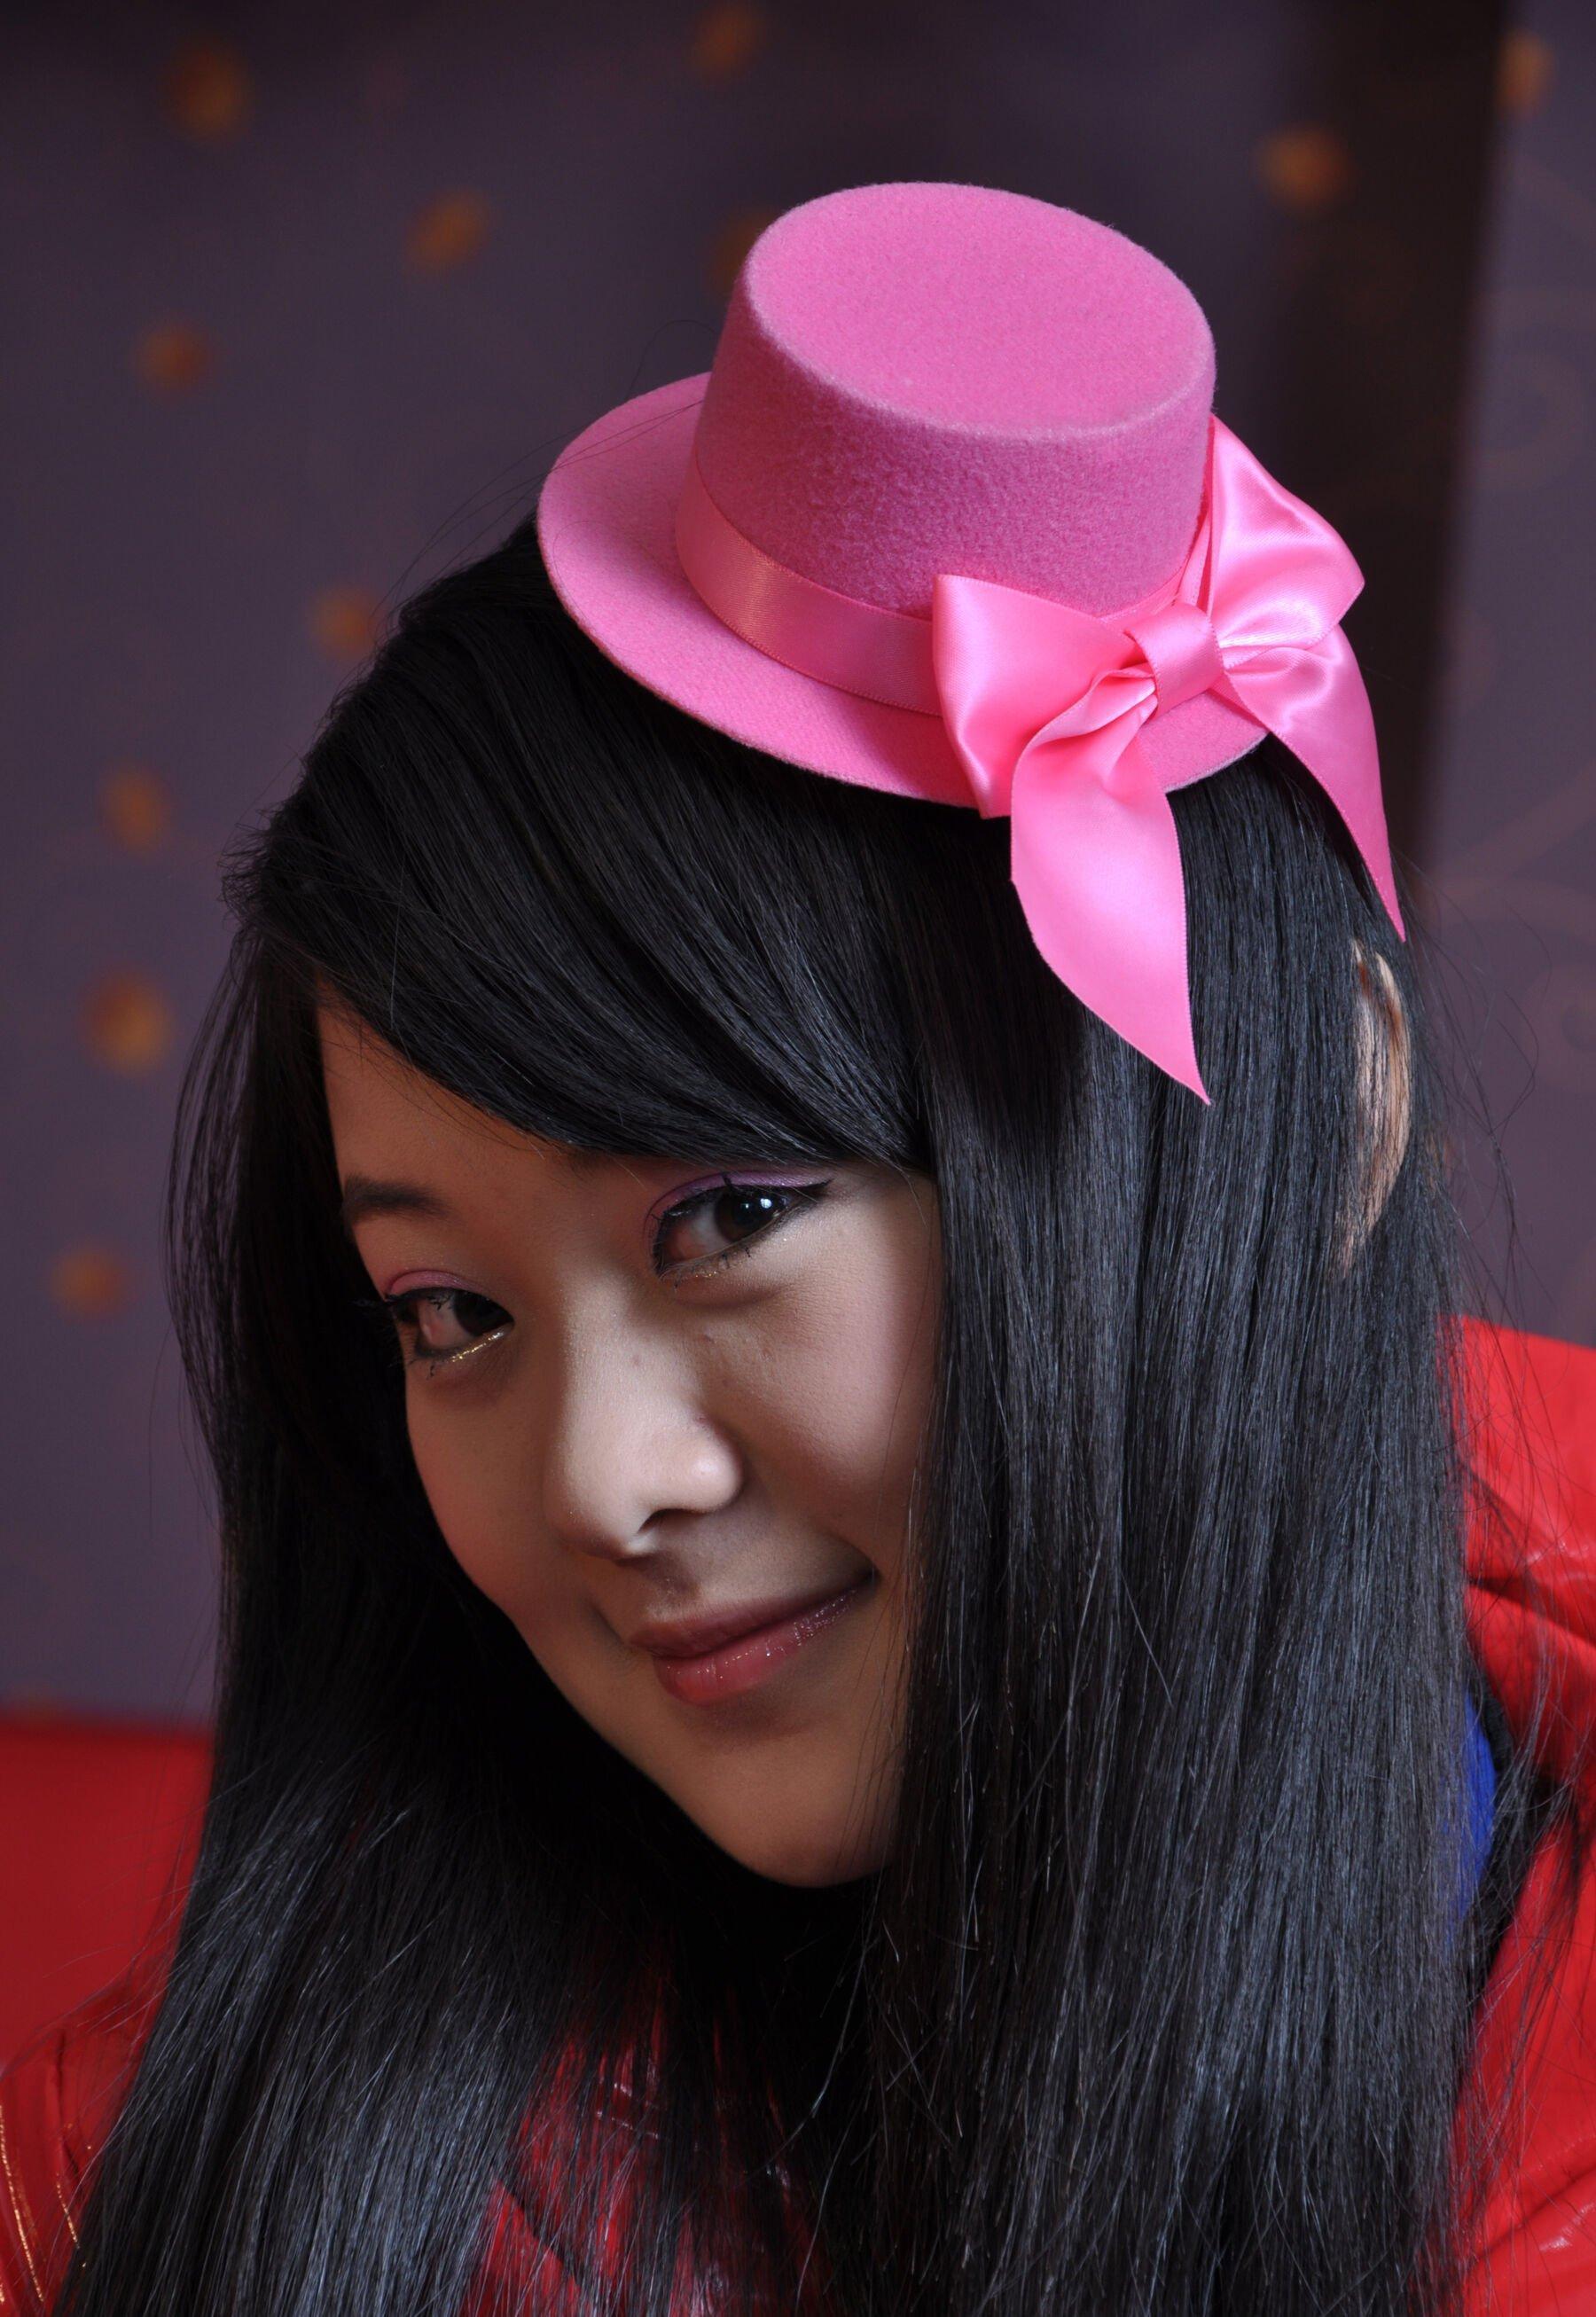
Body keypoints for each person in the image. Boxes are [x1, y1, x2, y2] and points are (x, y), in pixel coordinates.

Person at [3, 180, 1593, 2317]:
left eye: (729, 1215)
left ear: (1334, 1139)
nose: (600, 1480)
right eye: (448, 1312)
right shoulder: (188, 2193)